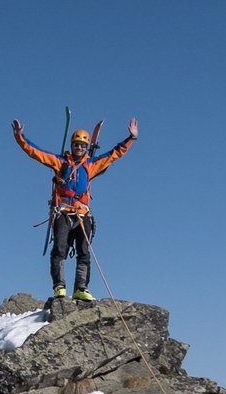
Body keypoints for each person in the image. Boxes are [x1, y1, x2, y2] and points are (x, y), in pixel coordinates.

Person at [11, 116, 138, 300]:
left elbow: (114, 154)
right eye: (76, 145)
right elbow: (35, 152)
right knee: (60, 249)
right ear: (72, 145)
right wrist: (19, 137)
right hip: (63, 212)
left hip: (83, 213)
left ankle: (81, 287)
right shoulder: (60, 162)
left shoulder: (91, 165)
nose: (79, 148)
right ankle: (59, 286)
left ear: (86, 148)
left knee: (84, 252)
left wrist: (131, 138)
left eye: (82, 145)